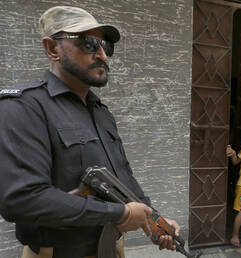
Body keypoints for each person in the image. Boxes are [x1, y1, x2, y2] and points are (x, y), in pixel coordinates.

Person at [0, 6, 180, 258]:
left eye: (106, 46)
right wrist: (120, 214)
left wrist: (151, 219)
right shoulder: (24, 107)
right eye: (89, 43)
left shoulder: (101, 112)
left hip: (112, 250)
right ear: (52, 49)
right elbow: (21, 199)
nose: (103, 55)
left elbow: (122, 176)